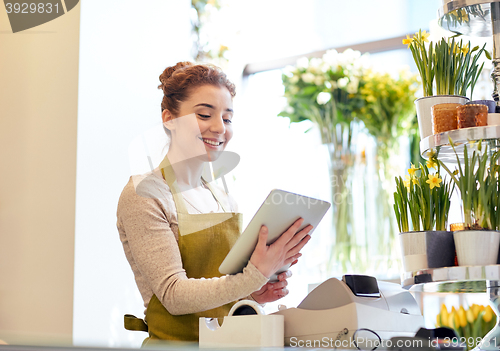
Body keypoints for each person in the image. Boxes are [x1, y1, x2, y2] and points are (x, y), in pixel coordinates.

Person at [117, 61, 313, 343]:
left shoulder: (223, 197)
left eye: (228, 118)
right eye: (205, 114)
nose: (219, 128)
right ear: (169, 119)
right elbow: (174, 295)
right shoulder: (144, 194)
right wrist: (255, 275)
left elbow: (220, 289)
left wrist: (253, 294)